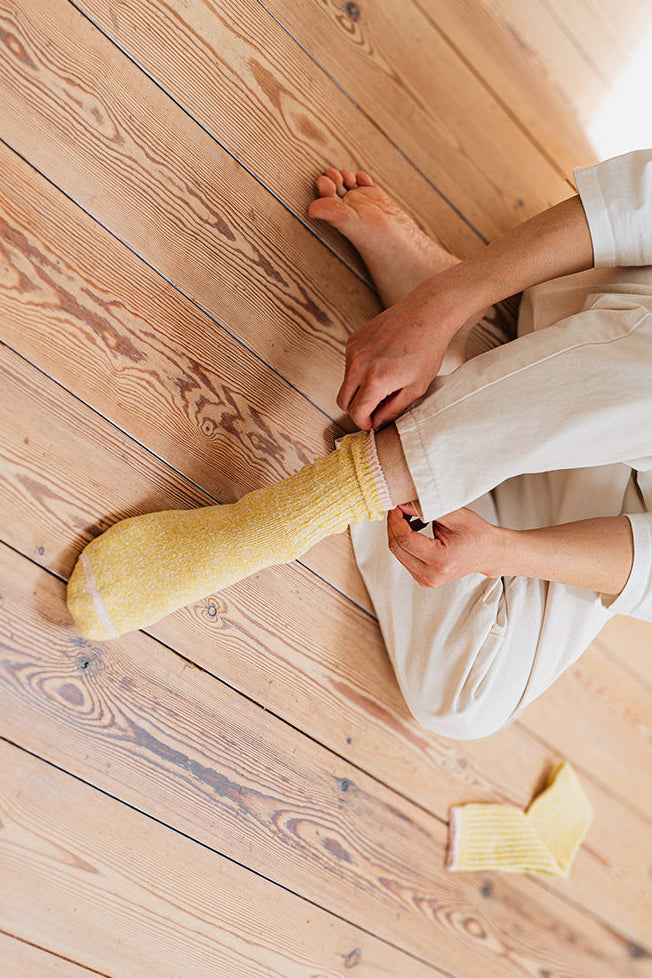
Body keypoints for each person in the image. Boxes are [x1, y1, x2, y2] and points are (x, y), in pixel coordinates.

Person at [67, 150, 652, 741]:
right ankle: (278, 522)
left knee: (465, 698)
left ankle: (439, 395)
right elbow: (641, 201)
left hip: (620, 472)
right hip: (618, 308)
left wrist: (503, 552)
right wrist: (445, 301)